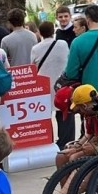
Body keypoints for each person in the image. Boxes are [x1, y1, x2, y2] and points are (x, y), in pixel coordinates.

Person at [23, 84, 98, 194]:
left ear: (84, 105)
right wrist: (76, 146)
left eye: (76, 110)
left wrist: (80, 149)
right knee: (61, 157)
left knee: (75, 159)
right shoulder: (89, 112)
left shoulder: (97, 111)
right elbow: (90, 134)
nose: (76, 113)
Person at [31, 21, 73, 149]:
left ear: (40, 33)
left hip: (44, 87)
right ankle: (65, 143)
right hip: (62, 85)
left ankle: (47, 142)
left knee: (45, 116)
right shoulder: (63, 44)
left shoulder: (35, 48)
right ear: (53, 31)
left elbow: (32, 67)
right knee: (64, 113)